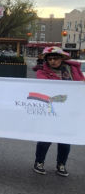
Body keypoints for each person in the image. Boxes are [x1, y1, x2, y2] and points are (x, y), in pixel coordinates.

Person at [32, 46, 83, 177]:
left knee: (65, 139)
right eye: (50, 59)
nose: (53, 61)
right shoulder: (42, 71)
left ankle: (61, 164)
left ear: (62, 58)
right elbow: (45, 88)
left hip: (70, 109)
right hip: (52, 108)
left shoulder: (73, 69)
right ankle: (39, 162)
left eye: (55, 58)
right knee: (46, 138)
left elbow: (81, 83)